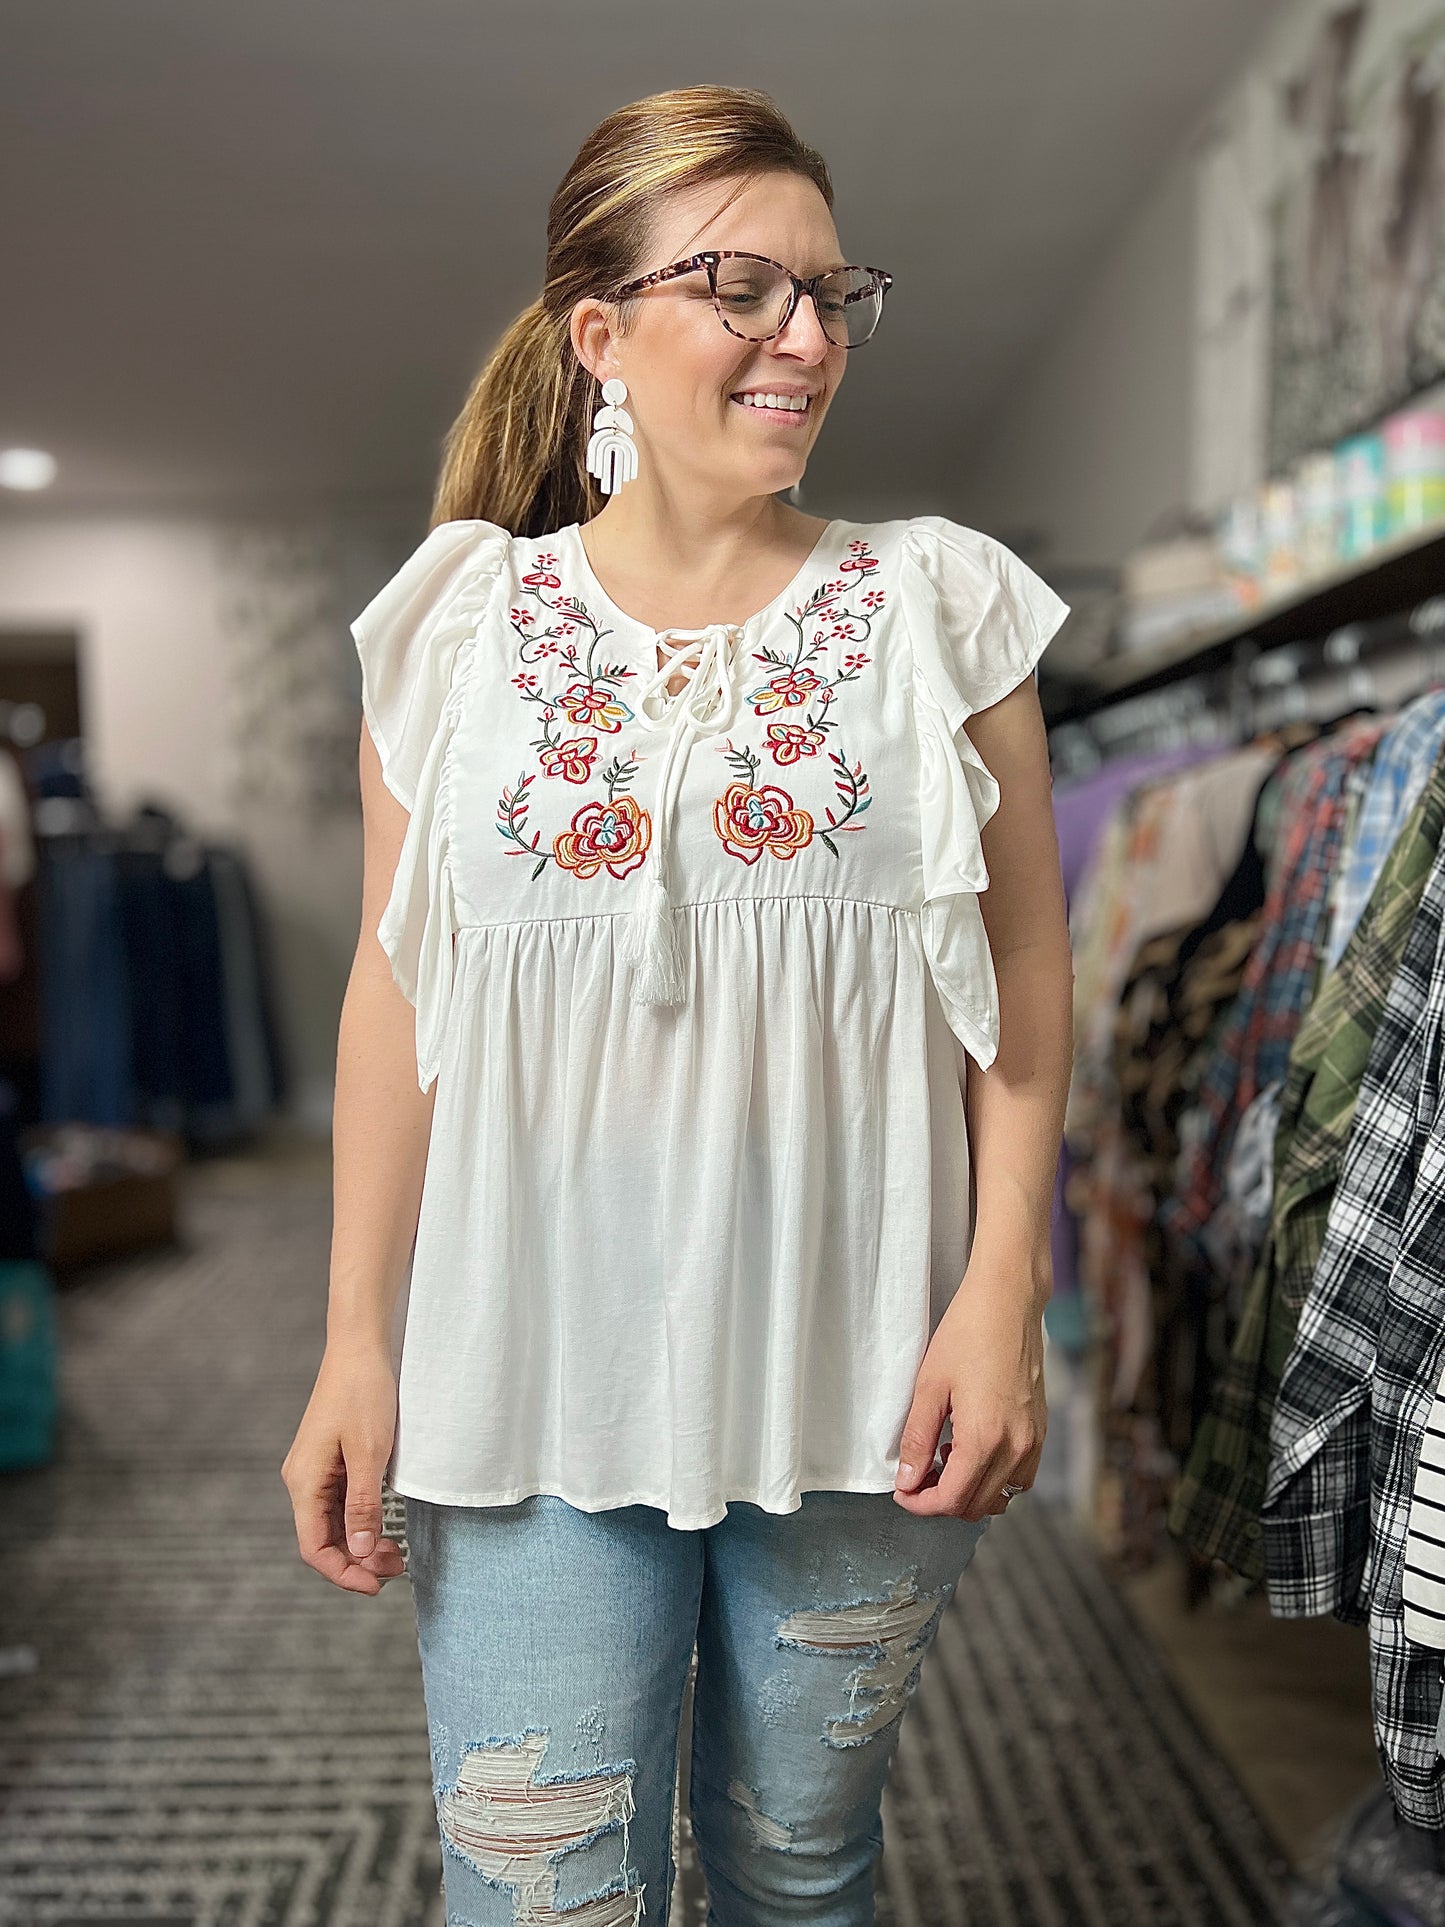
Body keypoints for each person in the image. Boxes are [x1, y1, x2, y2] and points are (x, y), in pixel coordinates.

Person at [282, 83, 1073, 1926]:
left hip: (861, 1373)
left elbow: (1021, 973)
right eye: (741, 287)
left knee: (802, 1865)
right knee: (538, 1884)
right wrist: (352, 1338)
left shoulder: (941, 610)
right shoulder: (460, 630)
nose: (803, 338)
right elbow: (401, 989)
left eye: (829, 293)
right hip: (530, 1371)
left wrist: (1002, 1289)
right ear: (598, 335)